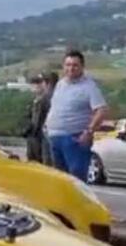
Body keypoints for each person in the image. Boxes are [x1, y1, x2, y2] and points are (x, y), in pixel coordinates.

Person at [44, 50, 108, 181]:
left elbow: (101, 110)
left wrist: (89, 131)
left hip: (74, 138)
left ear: (82, 67)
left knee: (75, 178)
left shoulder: (89, 87)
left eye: (75, 65)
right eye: (67, 65)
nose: (70, 68)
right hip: (54, 137)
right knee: (59, 178)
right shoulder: (61, 84)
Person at [23, 75, 49, 163]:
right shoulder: (34, 101)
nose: (35, 87)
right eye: (34, 84)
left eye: (38, 83)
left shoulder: (46, 100)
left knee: (40, 159)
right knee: (31, 158)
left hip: (40, 135)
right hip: (32, 135)